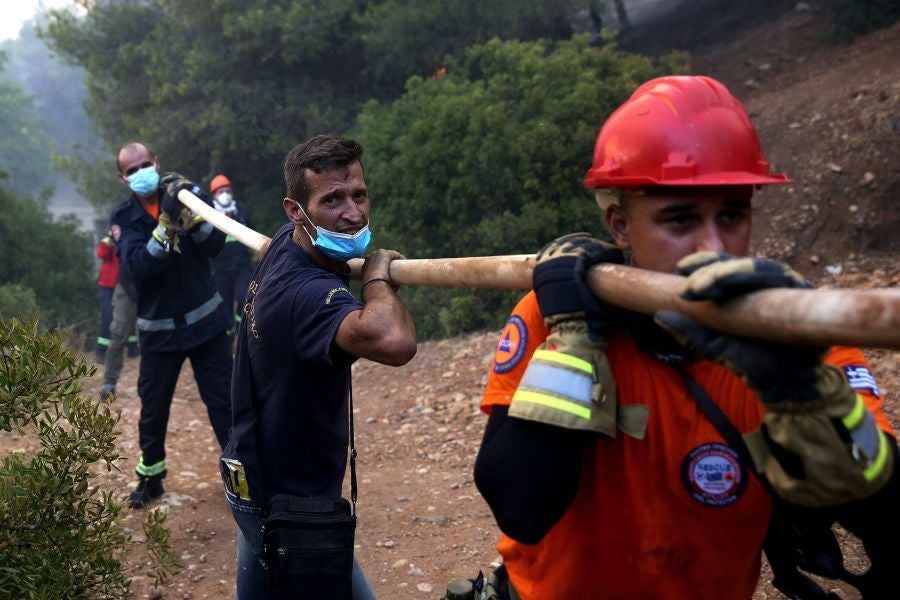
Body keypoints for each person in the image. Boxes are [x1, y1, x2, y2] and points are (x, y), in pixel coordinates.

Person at [473, 75, 898, 599]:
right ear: (620, 225)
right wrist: (574, 339)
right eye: (680, 219)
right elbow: (520, 509)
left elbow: (885, 520)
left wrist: (801, 390)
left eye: (732, 215)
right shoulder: (554, 316)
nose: (713, 249)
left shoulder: (798, 336)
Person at [221, 134, 417, 599]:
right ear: (296, 211)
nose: (352, 213)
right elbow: (394, 340)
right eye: (331, 200)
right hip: (290, 504)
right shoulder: (302, 293)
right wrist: (376, 276)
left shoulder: (285, 246)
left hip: (255, 479)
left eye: (359, 195)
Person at [110, 141, 233, 509]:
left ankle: (244, 478)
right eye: (131, 170)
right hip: (159, 332)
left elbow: (216, 246)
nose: (140, 172)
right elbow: (139, 269)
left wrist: (191, 217)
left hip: (206, 325)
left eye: (145, 164)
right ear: (122, 178)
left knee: (224, 405)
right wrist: (165, 224)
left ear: (157, 162)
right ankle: (151, 479)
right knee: (153, 408)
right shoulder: (123, 219)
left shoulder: (188, 195)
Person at [208, 174, 254, 338]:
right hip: (220, 269)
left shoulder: (240, 213)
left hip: (242, 266)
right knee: (224, 306)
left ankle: (241, 329)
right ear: (214, 195)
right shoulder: (209, 216)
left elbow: (252, 233)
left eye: (227, 190)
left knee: (245, 298)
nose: (225, 194)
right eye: (220, 192)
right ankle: (228, 338)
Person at [98, 242, 140, 403]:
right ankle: (109, 383)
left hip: (154, 282)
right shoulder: (123, 219)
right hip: (126, 284)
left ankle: (154, 385)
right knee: (118, 333)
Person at [94, 230, 118, 362]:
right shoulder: (109, 240)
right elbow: (102, 253)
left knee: (128, 316)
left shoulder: (130, 234)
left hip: (124, 284)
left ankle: (133, 349)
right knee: (107, 317)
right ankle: (102, 351)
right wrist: (110, 239)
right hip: (107, 285)